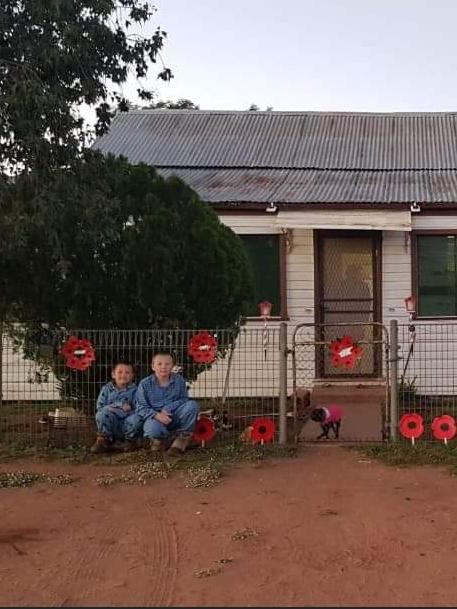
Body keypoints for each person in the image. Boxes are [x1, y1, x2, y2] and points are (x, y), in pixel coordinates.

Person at [135, 351, 199, 457]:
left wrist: (168, 408)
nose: (163, 367)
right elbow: (140, 407)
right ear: (153, 366)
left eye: (167, 364)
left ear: (172, 366)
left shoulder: (179, 380)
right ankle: (161, 440)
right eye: (159, 364)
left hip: (174, 415)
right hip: (154, 418)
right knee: (152, 429)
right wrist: (157, 415)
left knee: (192, 406)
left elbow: (184, 399)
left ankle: (181, 440)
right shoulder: (144, 384)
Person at [90, 361, 141, 453]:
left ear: (132, 375)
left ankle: (129, 441)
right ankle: (104, 440)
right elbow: (100, 407)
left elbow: (137, 408)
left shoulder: (135, 390)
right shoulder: (106, 389)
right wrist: (119, 405)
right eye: (120, 372)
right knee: (101, 414)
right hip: (110, 421)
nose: (123, 375)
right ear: (113, 374)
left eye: (127, 372)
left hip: (126, 422)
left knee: (136, 418)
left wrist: (118, 410)